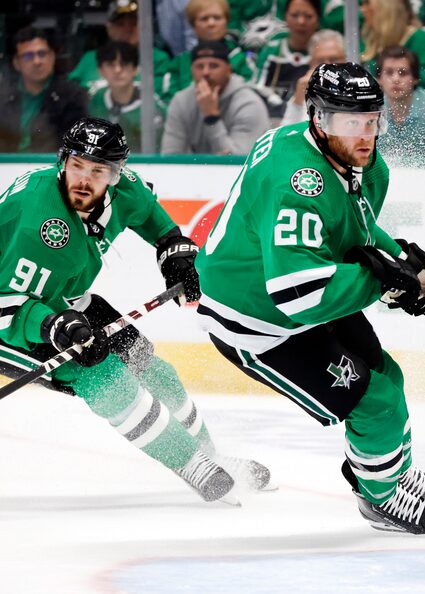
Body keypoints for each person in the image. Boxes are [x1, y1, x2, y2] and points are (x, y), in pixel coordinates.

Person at [194, 62, 425, 535]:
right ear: (318, 118)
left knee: (386, 376)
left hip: (296, 294)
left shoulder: (356, 160)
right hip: (258, 320)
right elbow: (298, 293)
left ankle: (389, 474)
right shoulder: (296, 181)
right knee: (374, 400)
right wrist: (387, 281)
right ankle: (381, 497)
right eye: (348, 121)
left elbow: (348, 228)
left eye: (371, 119)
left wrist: (403, 261)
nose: (364, 134)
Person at [0, 117, 272, 502]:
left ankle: (212, 456)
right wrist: (53, 326)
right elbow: (8, 304)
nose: (83, 179)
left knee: (145, 361)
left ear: (115, 175)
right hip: (12, 311)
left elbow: (156, 223)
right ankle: (191, 463)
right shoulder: (37, 224)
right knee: (101, 374)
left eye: (97, 171)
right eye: (76, 165)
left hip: (58, 297)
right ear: (63, 162)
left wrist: (174, 256)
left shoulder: (126, 191)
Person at [161, 40, 270, 155]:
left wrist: (212, 118)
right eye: (199, 67)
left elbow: (239, 163)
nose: (206, 72)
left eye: (213, 66)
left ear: (229, 70)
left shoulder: (249, 104)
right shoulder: (181, 101)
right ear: (191, 71)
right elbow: (170, 156)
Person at [0, 27, 87, 153]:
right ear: (16, 63)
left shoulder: (73, 96)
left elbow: (76, 148)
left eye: (42, 54)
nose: (37, 61)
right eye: (28, 56)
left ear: (52, 57)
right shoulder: (3, 96)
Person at [161, 0, 257, 104]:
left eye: (217, 18)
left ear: (226, 22)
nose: (211, 23)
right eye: (204, 19)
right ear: (193, 25)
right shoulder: (179, 63)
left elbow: (251, 98)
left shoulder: (242, 60)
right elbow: (169, 102)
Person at [69, 0, 171, 96]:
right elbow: (70, 94)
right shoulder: (90, 58)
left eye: (134, 23)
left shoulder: (158, 59)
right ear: (109, 27)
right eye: (120, 24)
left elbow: (161, 98)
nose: (127, 29)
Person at [376, 46, 425, 161]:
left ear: (415, 78)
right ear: (379, 79)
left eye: (403, 73)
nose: (396, 79)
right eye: (389, 72)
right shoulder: (371, 110)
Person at [89, 41, 167, 152]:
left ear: (135, 69)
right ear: (101, 70)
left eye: (124, 64)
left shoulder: (152, 104)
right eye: (111, 65)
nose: (118, 70)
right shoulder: (96, 99)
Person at [254, 0, 320, 122]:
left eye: (308, 16)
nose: (301, 21)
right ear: (285, 17)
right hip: (271, 118)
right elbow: (257, 88)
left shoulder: (324, 51)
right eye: (295, 15)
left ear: (318, 18)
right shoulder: (271, 49)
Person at [360, 0, 425, 93]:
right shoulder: (370, 39)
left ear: (385, 10)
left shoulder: (420, 39)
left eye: (367, 4)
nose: (362, 9)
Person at [279, 29, 347, 127]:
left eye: (334, 59)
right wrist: (298, 99)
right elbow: (285, 135)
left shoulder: (363, 89)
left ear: (346, 60)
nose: (327, 67)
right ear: (311, 64)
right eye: (320, 61)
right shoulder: (303, 92)